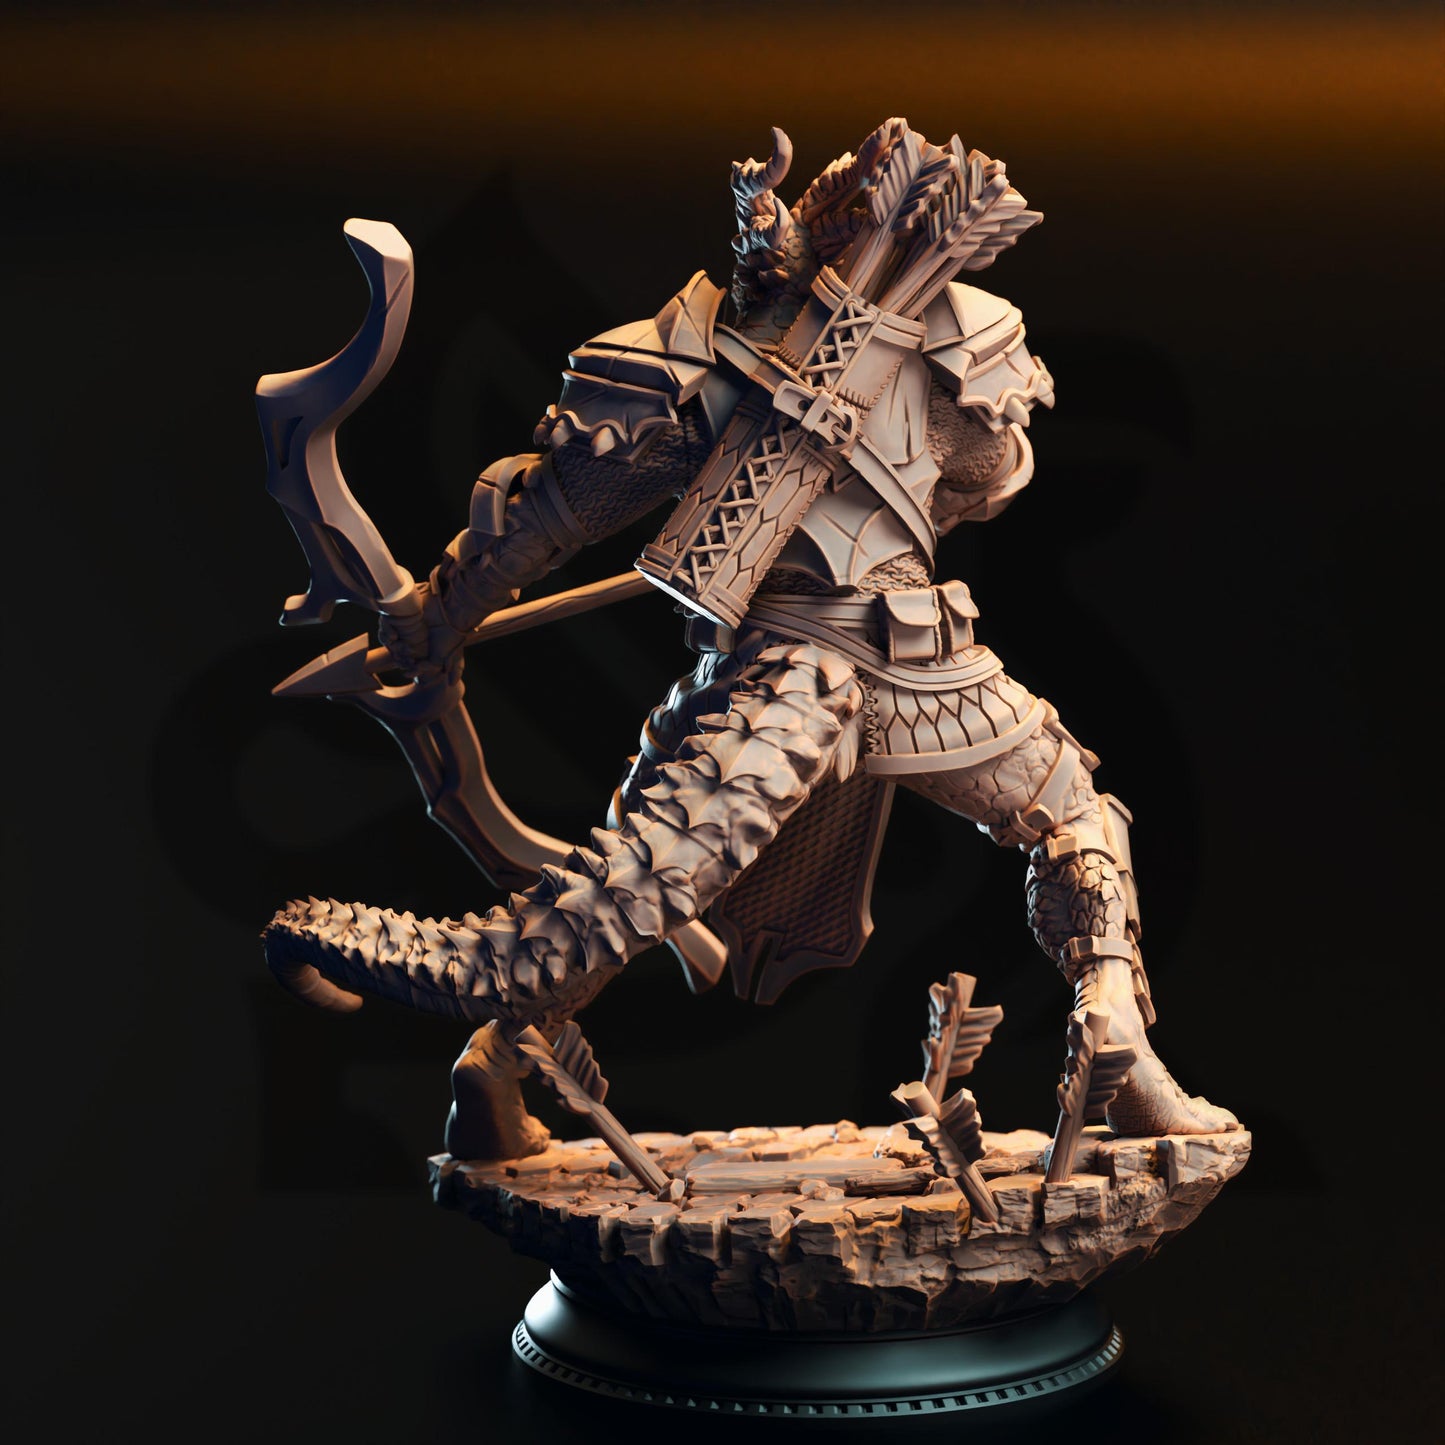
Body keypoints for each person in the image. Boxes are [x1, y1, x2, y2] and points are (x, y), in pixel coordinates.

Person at [264, 119, 1235, 1139]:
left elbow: (547, 519)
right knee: (1062, 810)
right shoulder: (960, 337)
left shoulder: (700, 353)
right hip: (909, 668)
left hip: (784, 675)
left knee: (637, 883)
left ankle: (495, 1063)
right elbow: (983, 480)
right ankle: (1115, 1033)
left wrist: (437, 621)